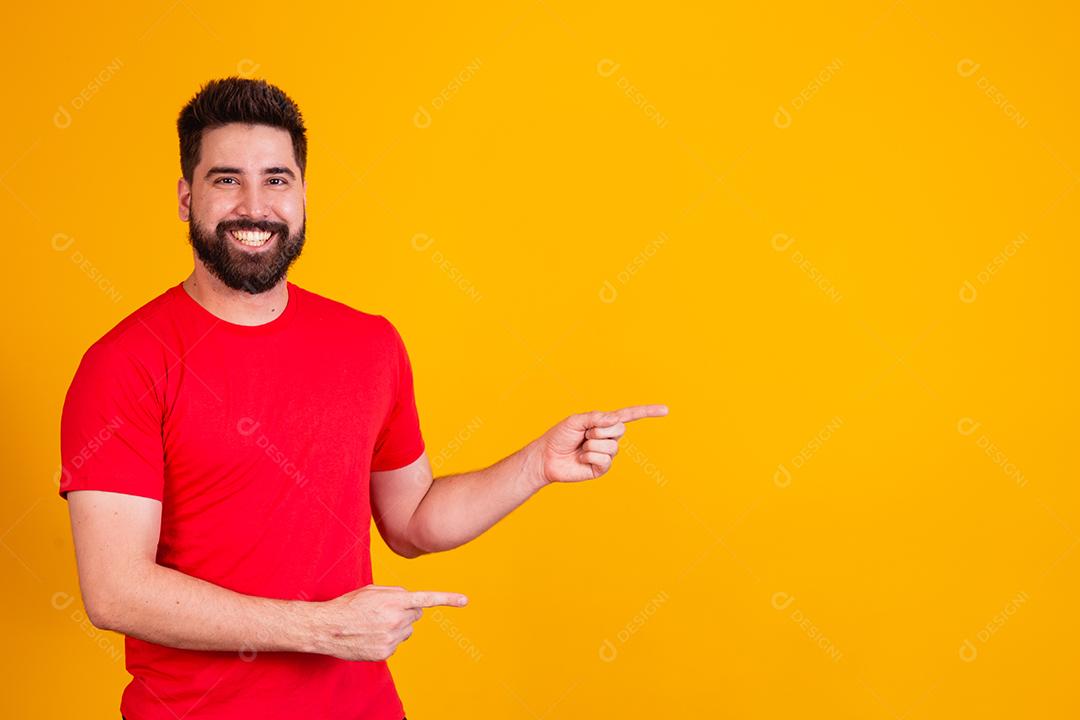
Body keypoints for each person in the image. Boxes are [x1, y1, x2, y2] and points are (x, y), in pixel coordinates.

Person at [58, 76, 668, 720]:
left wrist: (536, 464)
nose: (253, 204)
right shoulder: (123, 364)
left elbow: (413, 522)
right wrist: (321, 630)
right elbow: (115, 591)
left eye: (276, 179)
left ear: (301, 195)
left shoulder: (369, 345)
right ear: (187, 198)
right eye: (225, 179)